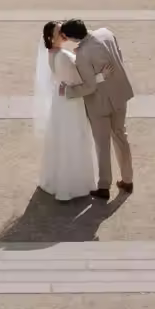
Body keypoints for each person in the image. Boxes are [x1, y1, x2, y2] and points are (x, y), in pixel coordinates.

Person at [59, 16, 135, 200]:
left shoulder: (82, 55)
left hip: (99, 104)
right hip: (119, 93)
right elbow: (118, 56)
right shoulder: (106, 33)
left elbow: (89, 86)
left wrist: (68, 91)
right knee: (121, 137)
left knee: (102, 145)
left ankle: (104, 186)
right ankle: (128, 179)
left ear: (73, 38)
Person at [34, 20, 98, 202]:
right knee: (74, 139)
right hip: (71, 102)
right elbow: (79, 80)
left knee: (61, 139)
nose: (63, 33)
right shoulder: (63, 56)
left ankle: (60, 180)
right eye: (59, 32)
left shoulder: (51, 54)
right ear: (51, 37)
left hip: (60, 100)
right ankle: (73, 184)